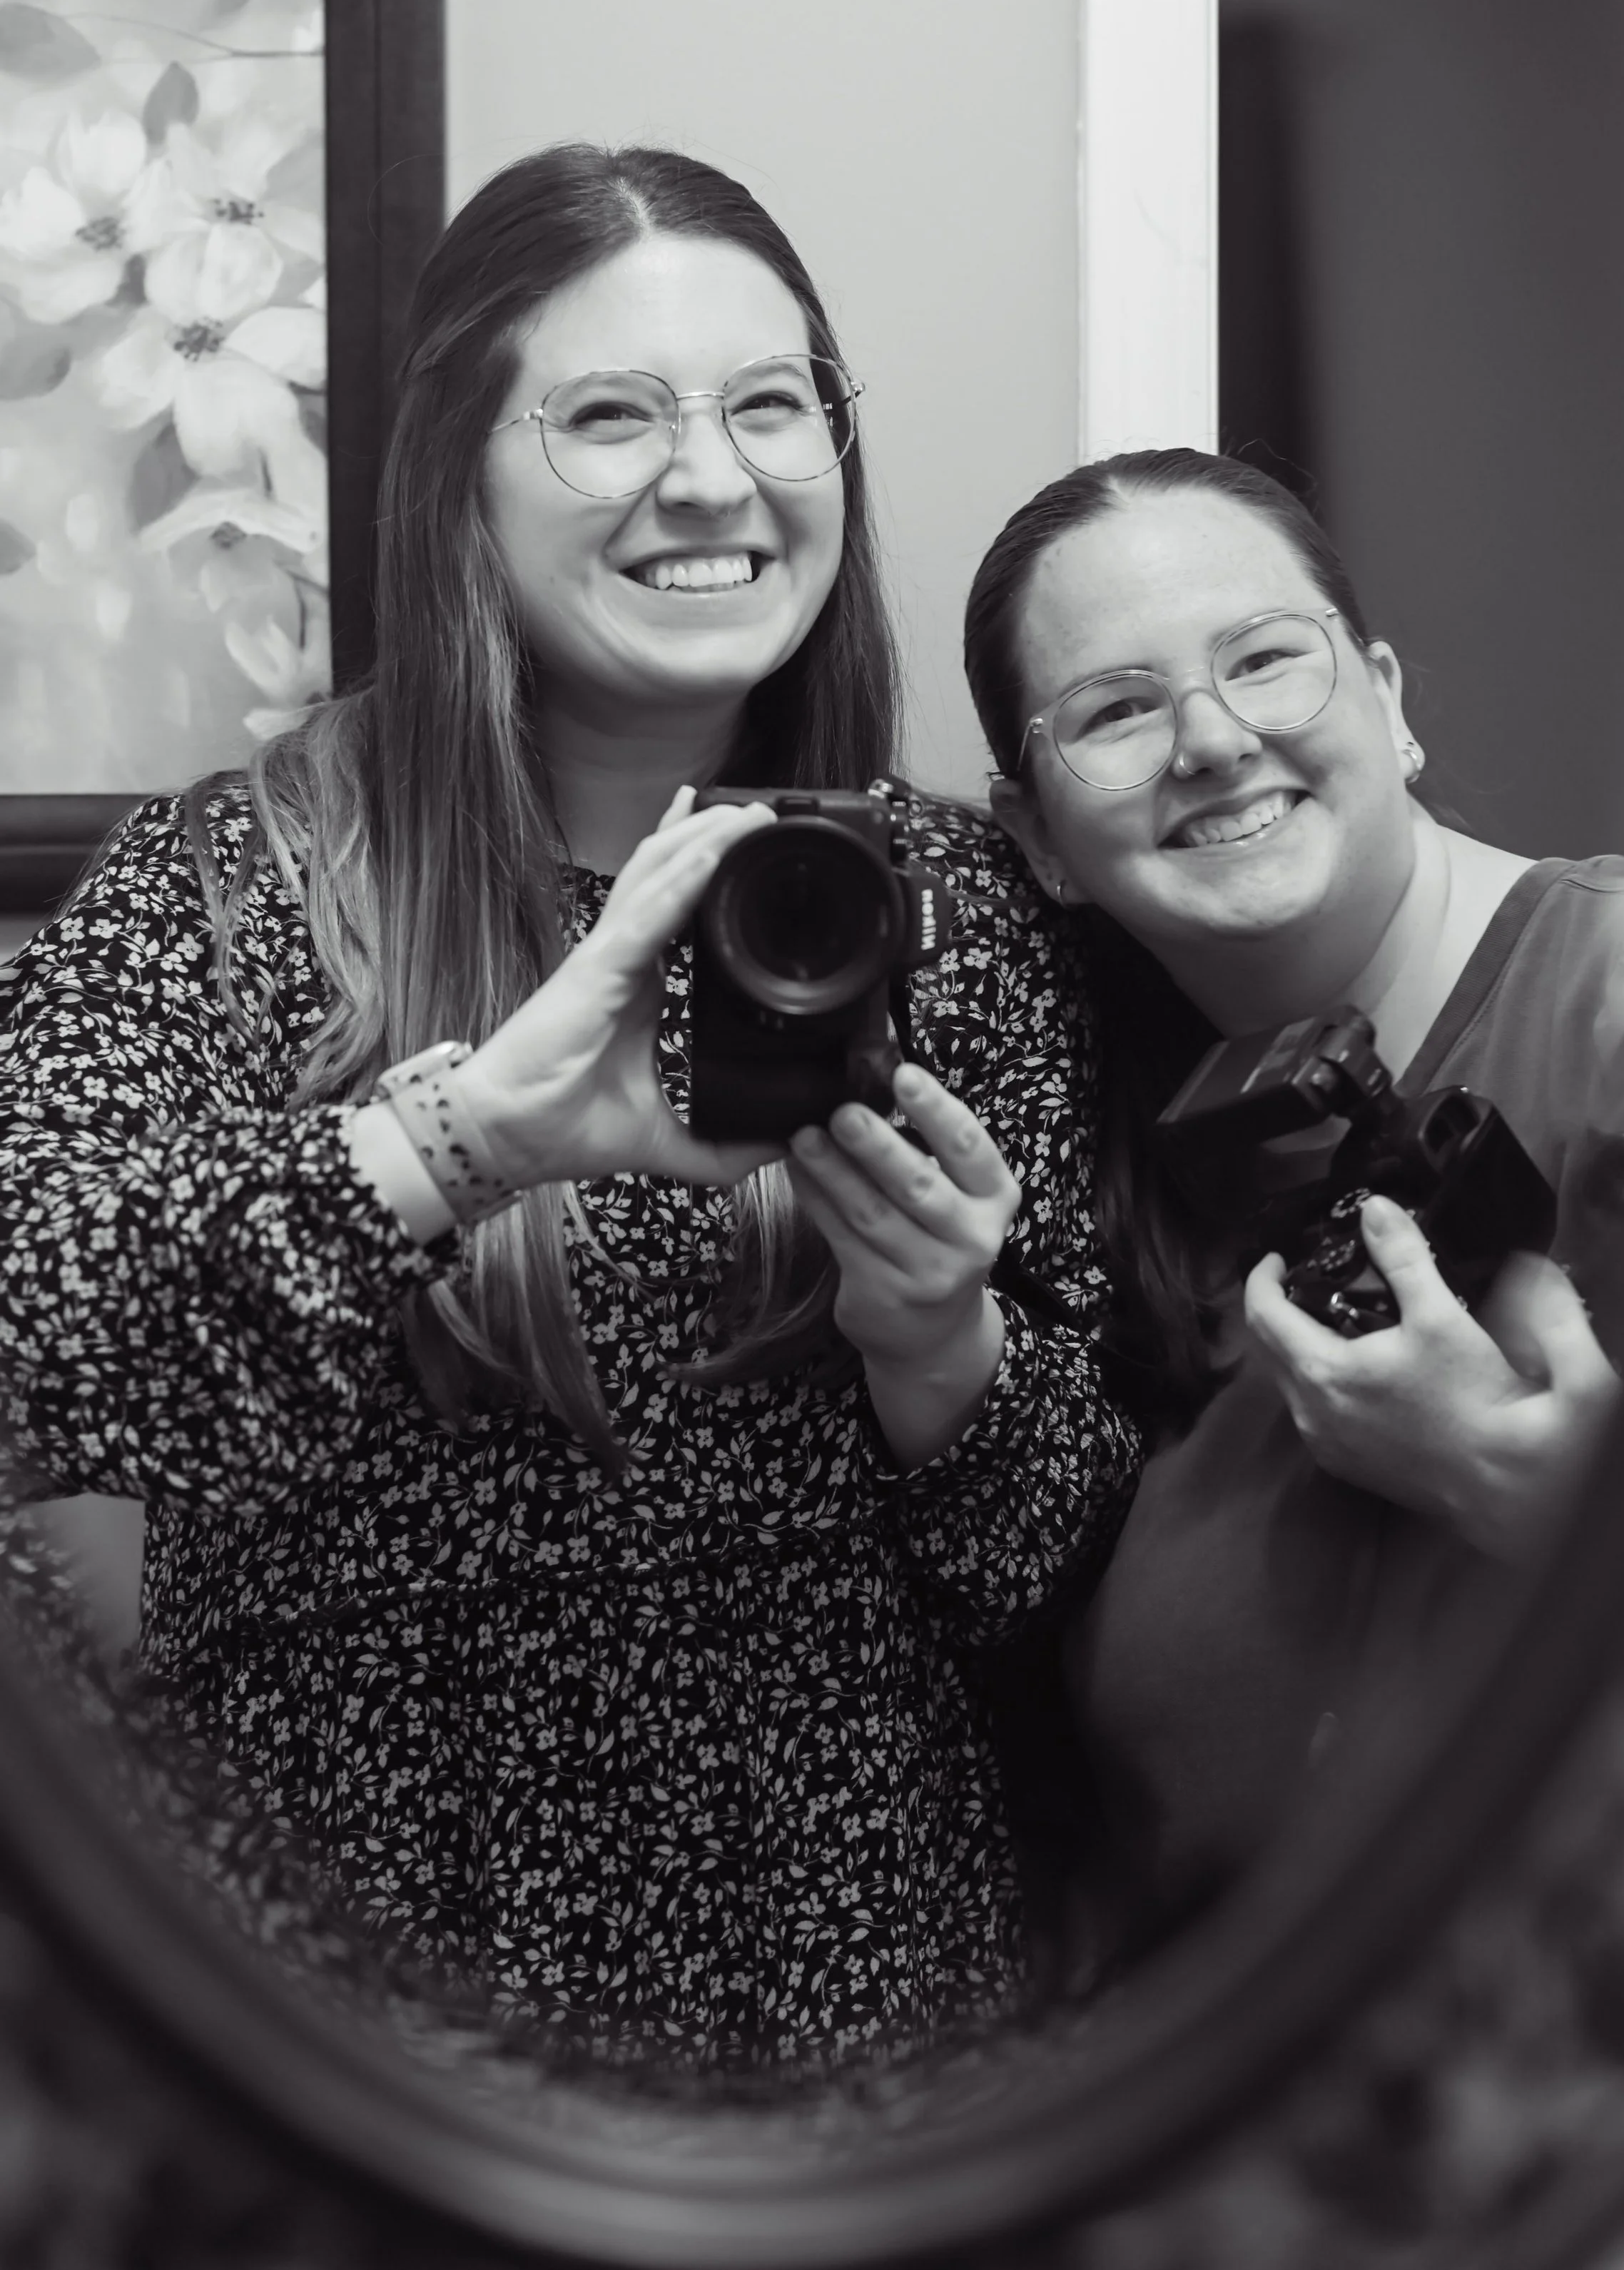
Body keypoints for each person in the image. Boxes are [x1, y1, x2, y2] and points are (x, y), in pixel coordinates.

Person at [0, 144, 1137, 2077]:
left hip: (845, 1958)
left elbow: (1054, 1572)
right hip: (340, 1956)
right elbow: (30, 1355)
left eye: (770, 403)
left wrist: (936, 1337)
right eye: (609, 413)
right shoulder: (226, 889)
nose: (711, 475)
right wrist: (463, 1144)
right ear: (461, 472)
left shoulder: (941, 911)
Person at [963, 446, 1624, 1948]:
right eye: (1117, 709)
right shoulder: (1113, 1190)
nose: (1207, 737)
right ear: (1035, 843)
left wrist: (1540, 1495)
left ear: (1385, 704)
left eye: (1264, 658)